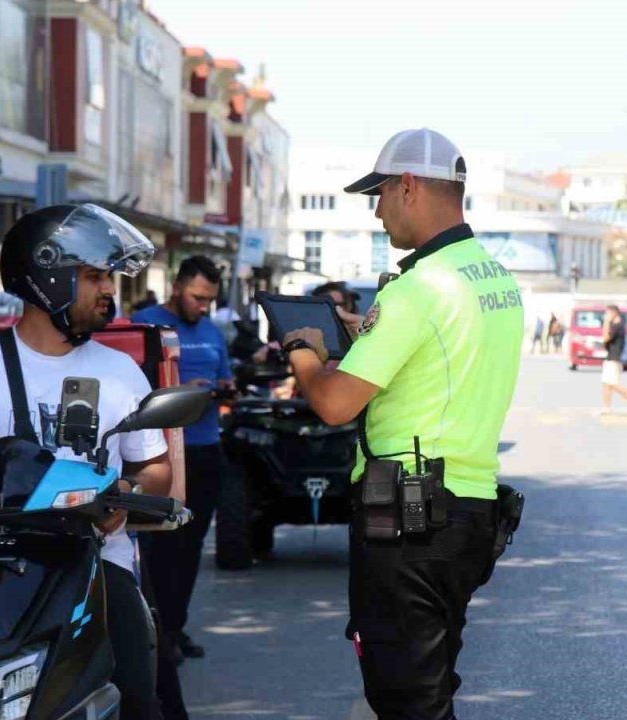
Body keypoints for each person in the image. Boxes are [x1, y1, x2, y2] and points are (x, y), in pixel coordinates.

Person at [0, 204, 178, 720]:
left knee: (137, 691)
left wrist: (123, 498)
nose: (109, 289)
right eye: (94, 276)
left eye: (108, 276)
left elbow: (154, 469)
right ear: (48, 277)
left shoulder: (121, 371)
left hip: (94, 563)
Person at [281, 128, 523, 720]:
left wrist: (302, 349)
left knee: (406, 700)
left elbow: (336, 404)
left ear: (408, 186)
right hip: (468, 509)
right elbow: (439, 356)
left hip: (411, 522)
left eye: (380, 194)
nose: (378, 210)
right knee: (430, 687)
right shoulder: (490, 277)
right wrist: (368, 326)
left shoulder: (417, 290)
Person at [131, 256, 233, 685]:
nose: (203, 307)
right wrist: (176, 394)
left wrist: (223, 389)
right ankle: (152, 632)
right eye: (197, 297)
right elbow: (128, 386)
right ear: (177, 287)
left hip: (206, 448)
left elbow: (225, 376)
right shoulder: (143, 324)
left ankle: (175, 626)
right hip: (161, 454)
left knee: (189, 549)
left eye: (210, 299)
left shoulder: (212, 333)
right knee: (157, 551)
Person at [599, 305, 627, 413]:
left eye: (608, 313)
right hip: (610, 356)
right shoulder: (616, 325)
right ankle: (606, 407)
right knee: (606, 383)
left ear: (614, 313)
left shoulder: (618, 326)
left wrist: (606, 322)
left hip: (614, 357)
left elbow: (605, 338)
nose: (606, 316)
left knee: (613, 384)